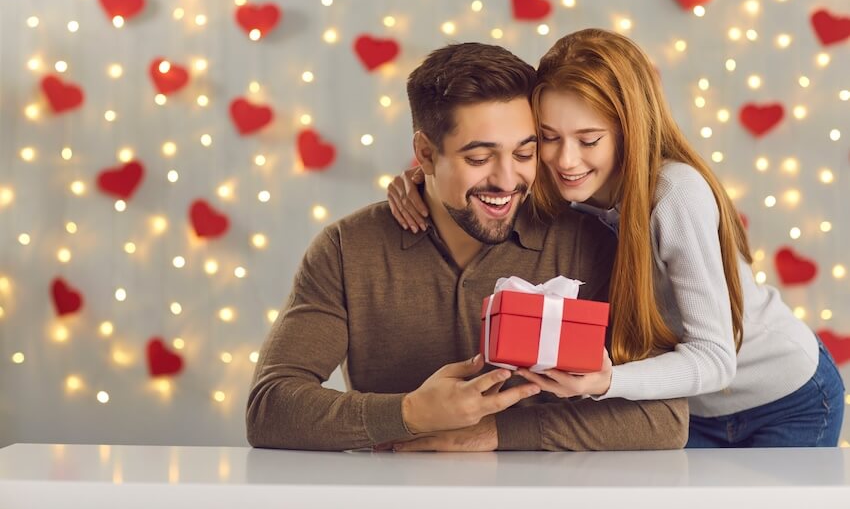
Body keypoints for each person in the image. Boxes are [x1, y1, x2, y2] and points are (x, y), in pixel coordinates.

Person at [387, 29, 844, 448]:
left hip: (786, 398)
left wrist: (605, 383)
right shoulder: (554, 184)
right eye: (548, 137)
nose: (566, 159)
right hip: (687, 408)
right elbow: (486, 186)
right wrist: (421, 180)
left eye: (589, 140)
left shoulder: (673, 194)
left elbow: (716, 359)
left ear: (629, 131)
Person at [247, 42, 689, 452]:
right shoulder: (348, 249)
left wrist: (494, 433)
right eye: (478, 158)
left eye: (524, 153)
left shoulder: (586, 244)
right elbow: (270, 409)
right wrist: (413, 414)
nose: (506, 180)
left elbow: (666, 417)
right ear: (424, 154)